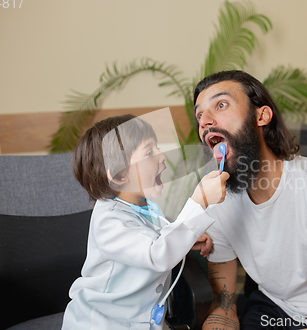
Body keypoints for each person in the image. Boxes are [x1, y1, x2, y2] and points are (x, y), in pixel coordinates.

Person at [193, 70, 307, 329]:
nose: (205, 121)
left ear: (262, 116)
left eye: (221, 105)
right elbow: (224, 307)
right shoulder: (218, 200)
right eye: (199, 115)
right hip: (271, 305)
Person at [61, 114, 229, 330]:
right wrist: (200, 202)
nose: (162, 156)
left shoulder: (145, 207)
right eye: (149, 152)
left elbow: (155, 238)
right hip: (101, 323)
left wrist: (187, 239)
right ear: (121, 175)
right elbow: (155, 254)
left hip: (144, 321)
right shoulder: (108, 221)